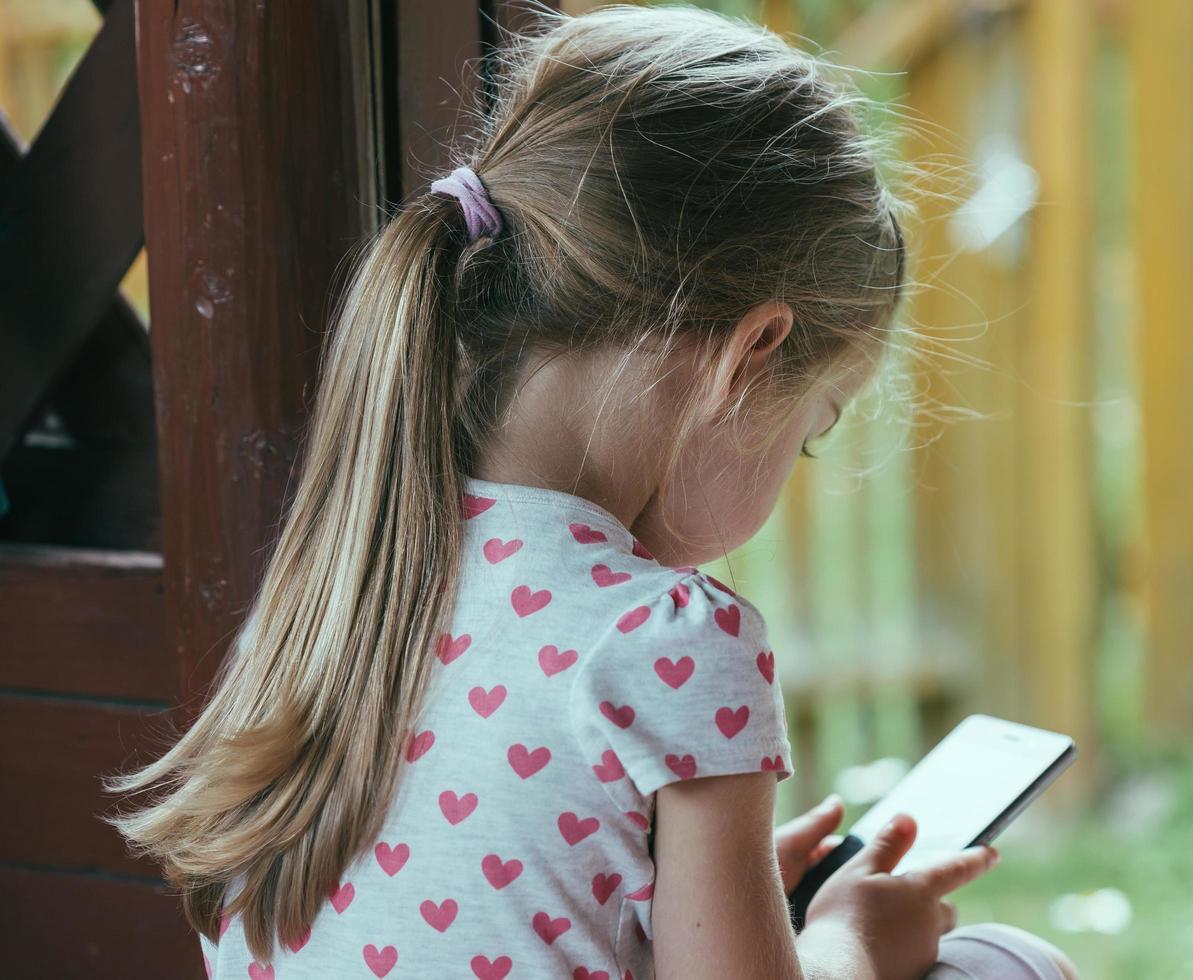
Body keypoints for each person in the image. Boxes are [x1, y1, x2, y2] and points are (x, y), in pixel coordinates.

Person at [104, 5, 1080, 978]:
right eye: (810, 432)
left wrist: (698, 902)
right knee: (1005, 963)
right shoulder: (672, 641)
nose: (796, 463)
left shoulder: (338, 582)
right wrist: (851, 934)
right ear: (749, 357)